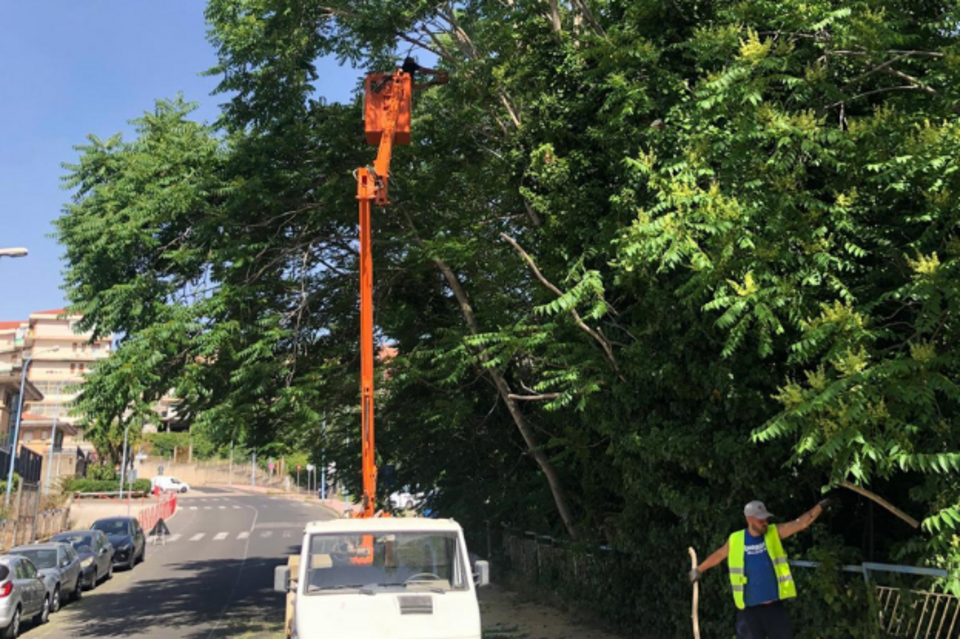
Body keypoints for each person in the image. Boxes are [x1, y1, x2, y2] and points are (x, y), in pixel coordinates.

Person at [689, 498, 832, 639]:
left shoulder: (774, 532)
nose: (765, 523)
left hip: (774, 609)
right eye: (760, 520)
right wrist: (699, 569)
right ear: (749, 519)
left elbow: (800, 524)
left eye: (766, 518)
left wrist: (820, 506)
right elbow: (719, 554)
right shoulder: (736, 539)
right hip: (748, 612)